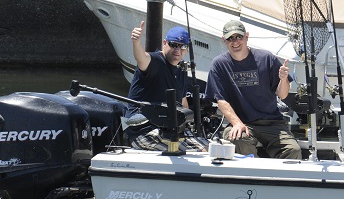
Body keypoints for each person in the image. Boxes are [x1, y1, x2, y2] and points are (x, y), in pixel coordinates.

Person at [204, 20, 302, 159]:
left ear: (247, 36)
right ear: (224, 40)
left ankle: (279, 180)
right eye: (230, 38)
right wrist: (236, 123)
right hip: (243, 123)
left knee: (294, 150)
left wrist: (283, 79)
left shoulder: (266, 58)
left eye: (239, 37)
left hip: (273, 123)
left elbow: (282, 94)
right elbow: (221, 100)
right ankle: (253, 177)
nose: (235, 42)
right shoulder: (219, 64)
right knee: (238, 138)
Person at [125, 21, 208, 151]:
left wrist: (189, 126)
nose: (177, 50)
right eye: (173, 45)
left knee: (208, 148)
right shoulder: (155, 61)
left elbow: (183, 103)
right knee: (192, 152)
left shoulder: (181, 71)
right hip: (143, 131)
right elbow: (142, 57)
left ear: (187, 49)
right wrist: (136, 42)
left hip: (169, 129)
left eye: (182, 46)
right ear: (164, 43)